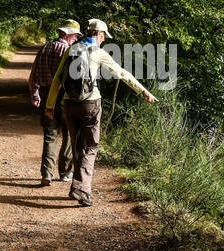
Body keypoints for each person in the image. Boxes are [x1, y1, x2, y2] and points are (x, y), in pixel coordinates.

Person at [45, 18, 156, 206]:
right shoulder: (98, 52)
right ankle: (81, 190)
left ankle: (77, 185)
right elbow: (121, 73)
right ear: (99, 34)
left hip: (69, 104)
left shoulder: (71, 49)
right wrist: (143, 90)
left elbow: (57, 79)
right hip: (90, 103)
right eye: (104, 36)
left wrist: (49, 105)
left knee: (76, 145)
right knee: (90, 147)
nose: (104, 39)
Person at [29, 20, 80, 186]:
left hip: (45, 94)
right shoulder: (68, 50)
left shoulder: (44, 48)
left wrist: (35, 94)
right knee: (69, 134)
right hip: (64, 96)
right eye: (74, 35)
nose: (75, 39)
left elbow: (33, 75)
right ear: (66, 34)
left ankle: (47, 173)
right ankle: (65, 172)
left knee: (50, 135)